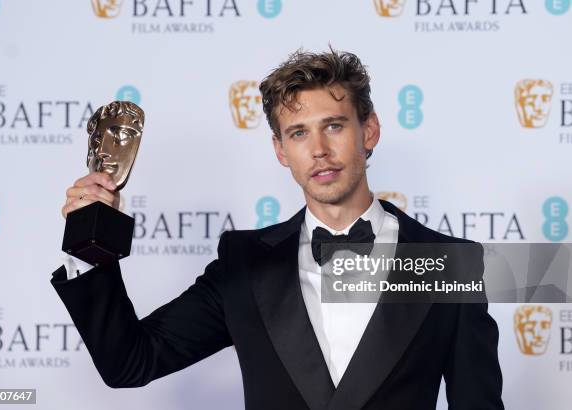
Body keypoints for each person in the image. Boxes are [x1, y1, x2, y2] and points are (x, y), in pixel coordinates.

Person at [53, 48, 504, 410]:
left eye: (334, 125)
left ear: (369, 131)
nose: (320, 150)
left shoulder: (450, 264)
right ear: (280, 150)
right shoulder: (245, 264)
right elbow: (130, 362)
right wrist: (91, 246)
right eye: (299, 133)